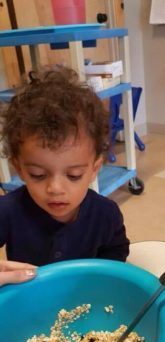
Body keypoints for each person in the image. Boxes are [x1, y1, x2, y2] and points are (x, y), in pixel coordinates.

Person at [0, 68, 129, 266]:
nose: (56, 189)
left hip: (84, 294)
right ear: (19, 169)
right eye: (38, 174)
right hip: (30, 295)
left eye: (74, 175)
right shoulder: (8, 211)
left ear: (94, 169)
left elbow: (116, 251)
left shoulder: (106, 214)